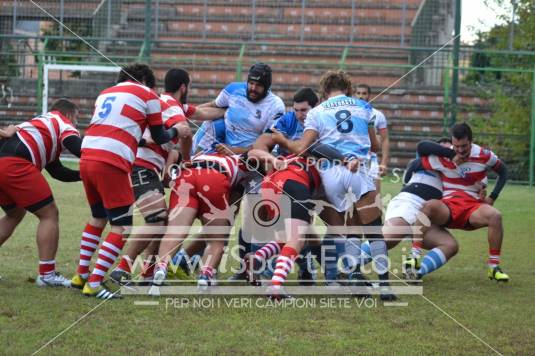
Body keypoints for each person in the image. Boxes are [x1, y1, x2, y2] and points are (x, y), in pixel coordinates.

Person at [272, 70, 396, 300]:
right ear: (348, 88)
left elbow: (302, 148)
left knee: (347, 229)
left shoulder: (317, 111)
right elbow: (375, 146)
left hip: (330, 173)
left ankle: (355, 277)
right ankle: (385, 287)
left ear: (324, 91)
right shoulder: (364, 107)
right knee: (373, 230)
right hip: (358, 169)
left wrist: (281, 141)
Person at [74, 63, 182, 299]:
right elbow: (159, 135)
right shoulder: (147, 94)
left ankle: (81, 274)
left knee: (98, 217)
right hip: (112, 159)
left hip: (86, 154)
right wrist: (177, 131)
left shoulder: (106, 93)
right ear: (145, 81)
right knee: (122, 226)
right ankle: (95, 283)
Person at [0, 99, 82, 287]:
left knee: (14, 213)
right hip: (14, 164)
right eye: (75, 119)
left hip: (4, 161)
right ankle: (47, 274)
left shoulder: (42, 126)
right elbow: (78, 148)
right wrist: (103, 160)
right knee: (49, 214)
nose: (75, 123)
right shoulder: (63, 122)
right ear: (69, 114)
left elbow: (57, 171)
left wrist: (82, 175)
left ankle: (47, 274)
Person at [416, 123, 509, 282]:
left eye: (464, 146)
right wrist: (450, 153)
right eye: (456, 146)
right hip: (448, 207)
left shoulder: (483, 155)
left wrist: (492, 197)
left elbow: (503, 171)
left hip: (473, 208)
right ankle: (414, 257)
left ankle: (493, 267)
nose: (460, 150)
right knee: (428, 206)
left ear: (471, 141)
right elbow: (421, 148)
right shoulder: (445, 155)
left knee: (495, 216)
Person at [355, 84, 389, 191]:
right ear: (354, 95)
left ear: (369, 96)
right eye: (358, 93)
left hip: (371, 160)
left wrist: (384, 162)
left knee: (375, 196)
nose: (361, 96)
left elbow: (385, 139)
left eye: (364, 93)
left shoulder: (377, 115)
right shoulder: (349, 113)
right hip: (354, 158)